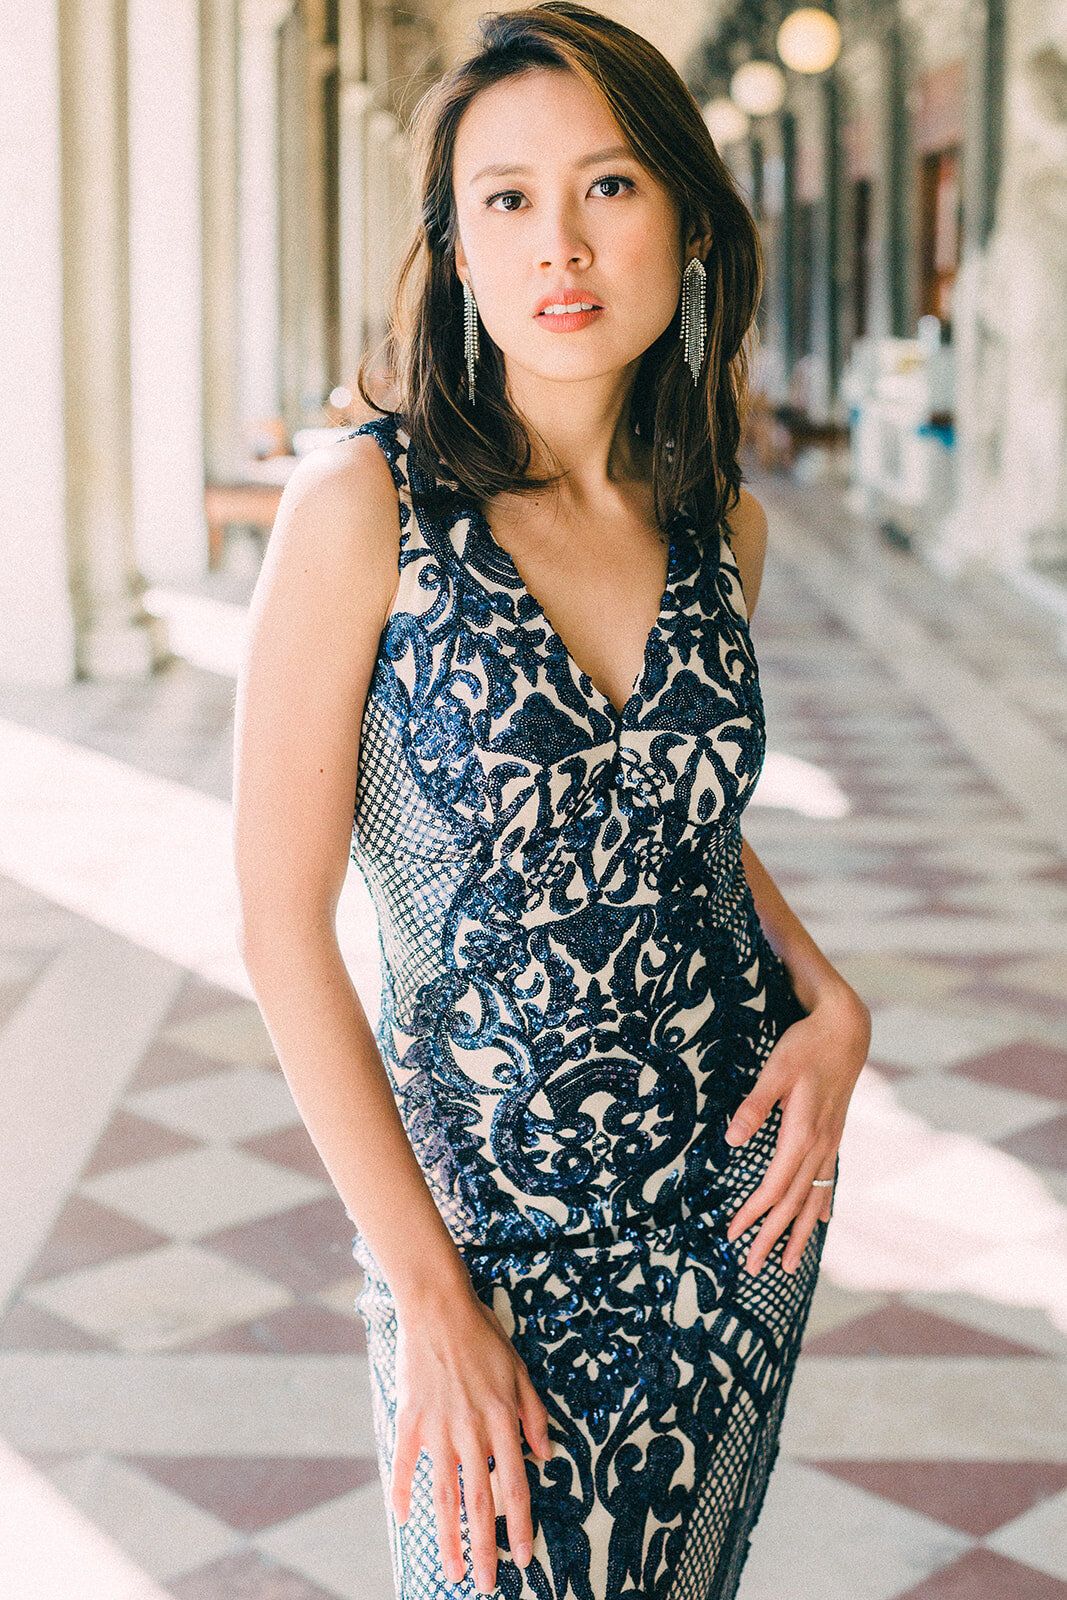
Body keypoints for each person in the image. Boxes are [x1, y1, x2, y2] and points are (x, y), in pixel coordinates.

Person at [232, 5, 871, 1596]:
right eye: (507, 198)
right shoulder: (363, 506)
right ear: (453, 247)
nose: (559, 244)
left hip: (731, 1212)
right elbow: (277, 927)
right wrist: (429, 1297)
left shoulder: (722, 520)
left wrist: (827, 993)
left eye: (609, 186)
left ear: (687, 223)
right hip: (483, 1241)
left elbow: (670, 811)